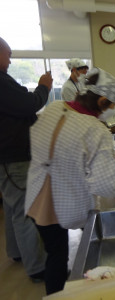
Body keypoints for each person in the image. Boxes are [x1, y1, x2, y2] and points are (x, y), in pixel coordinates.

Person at [25, 67, 115, 295]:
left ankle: (56, 292)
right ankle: (84, 287)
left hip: (36, 194)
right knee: (83, 245)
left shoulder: (53, 108)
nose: (112, 110)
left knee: (55, 253)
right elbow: (104, 183)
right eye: (111, 105)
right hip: (66, 197)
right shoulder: (94, 128)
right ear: (102, 100)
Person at [0, 37, 51, 282]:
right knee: (25, 211)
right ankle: (37, 267)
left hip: (8, 159)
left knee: (13, 207)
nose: (10, 60)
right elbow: (28, 104)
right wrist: (43, 87)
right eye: (7, 54)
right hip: (15, 159)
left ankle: (17, 252)